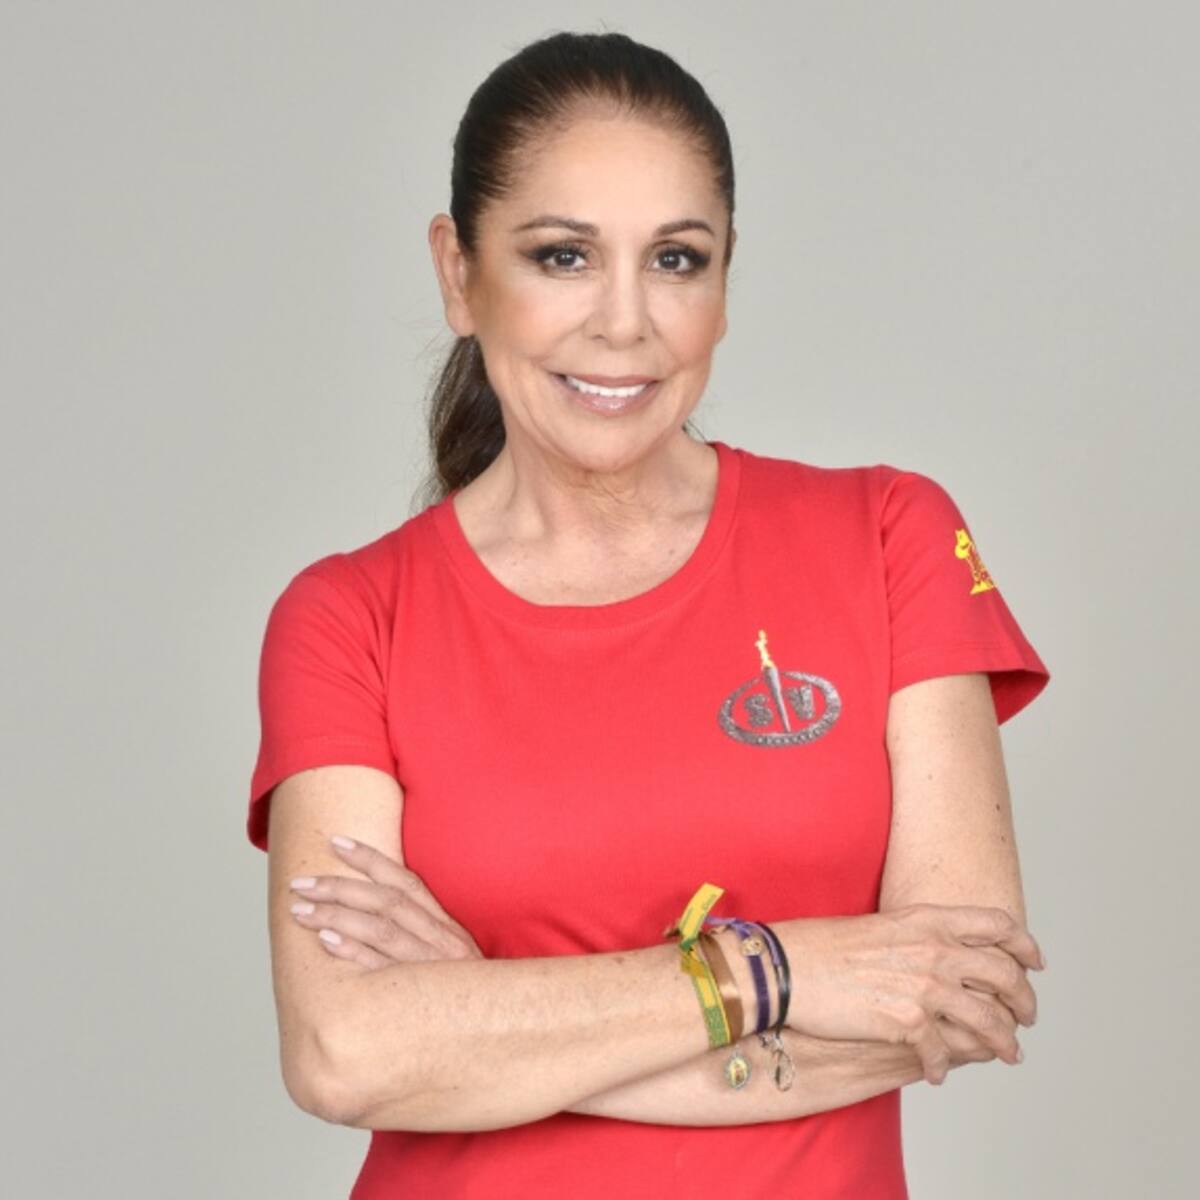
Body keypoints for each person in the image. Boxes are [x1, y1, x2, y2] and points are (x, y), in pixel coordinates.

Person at [246, 29, 1050, 1200]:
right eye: (563, 256)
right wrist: (780, 971)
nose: (624, 322)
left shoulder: (888, 538)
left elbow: (963, 992)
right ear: (459, 274)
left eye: (676, 259)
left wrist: (488, 1015)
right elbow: (344, 1053)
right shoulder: (347, 619)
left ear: (725, 281)